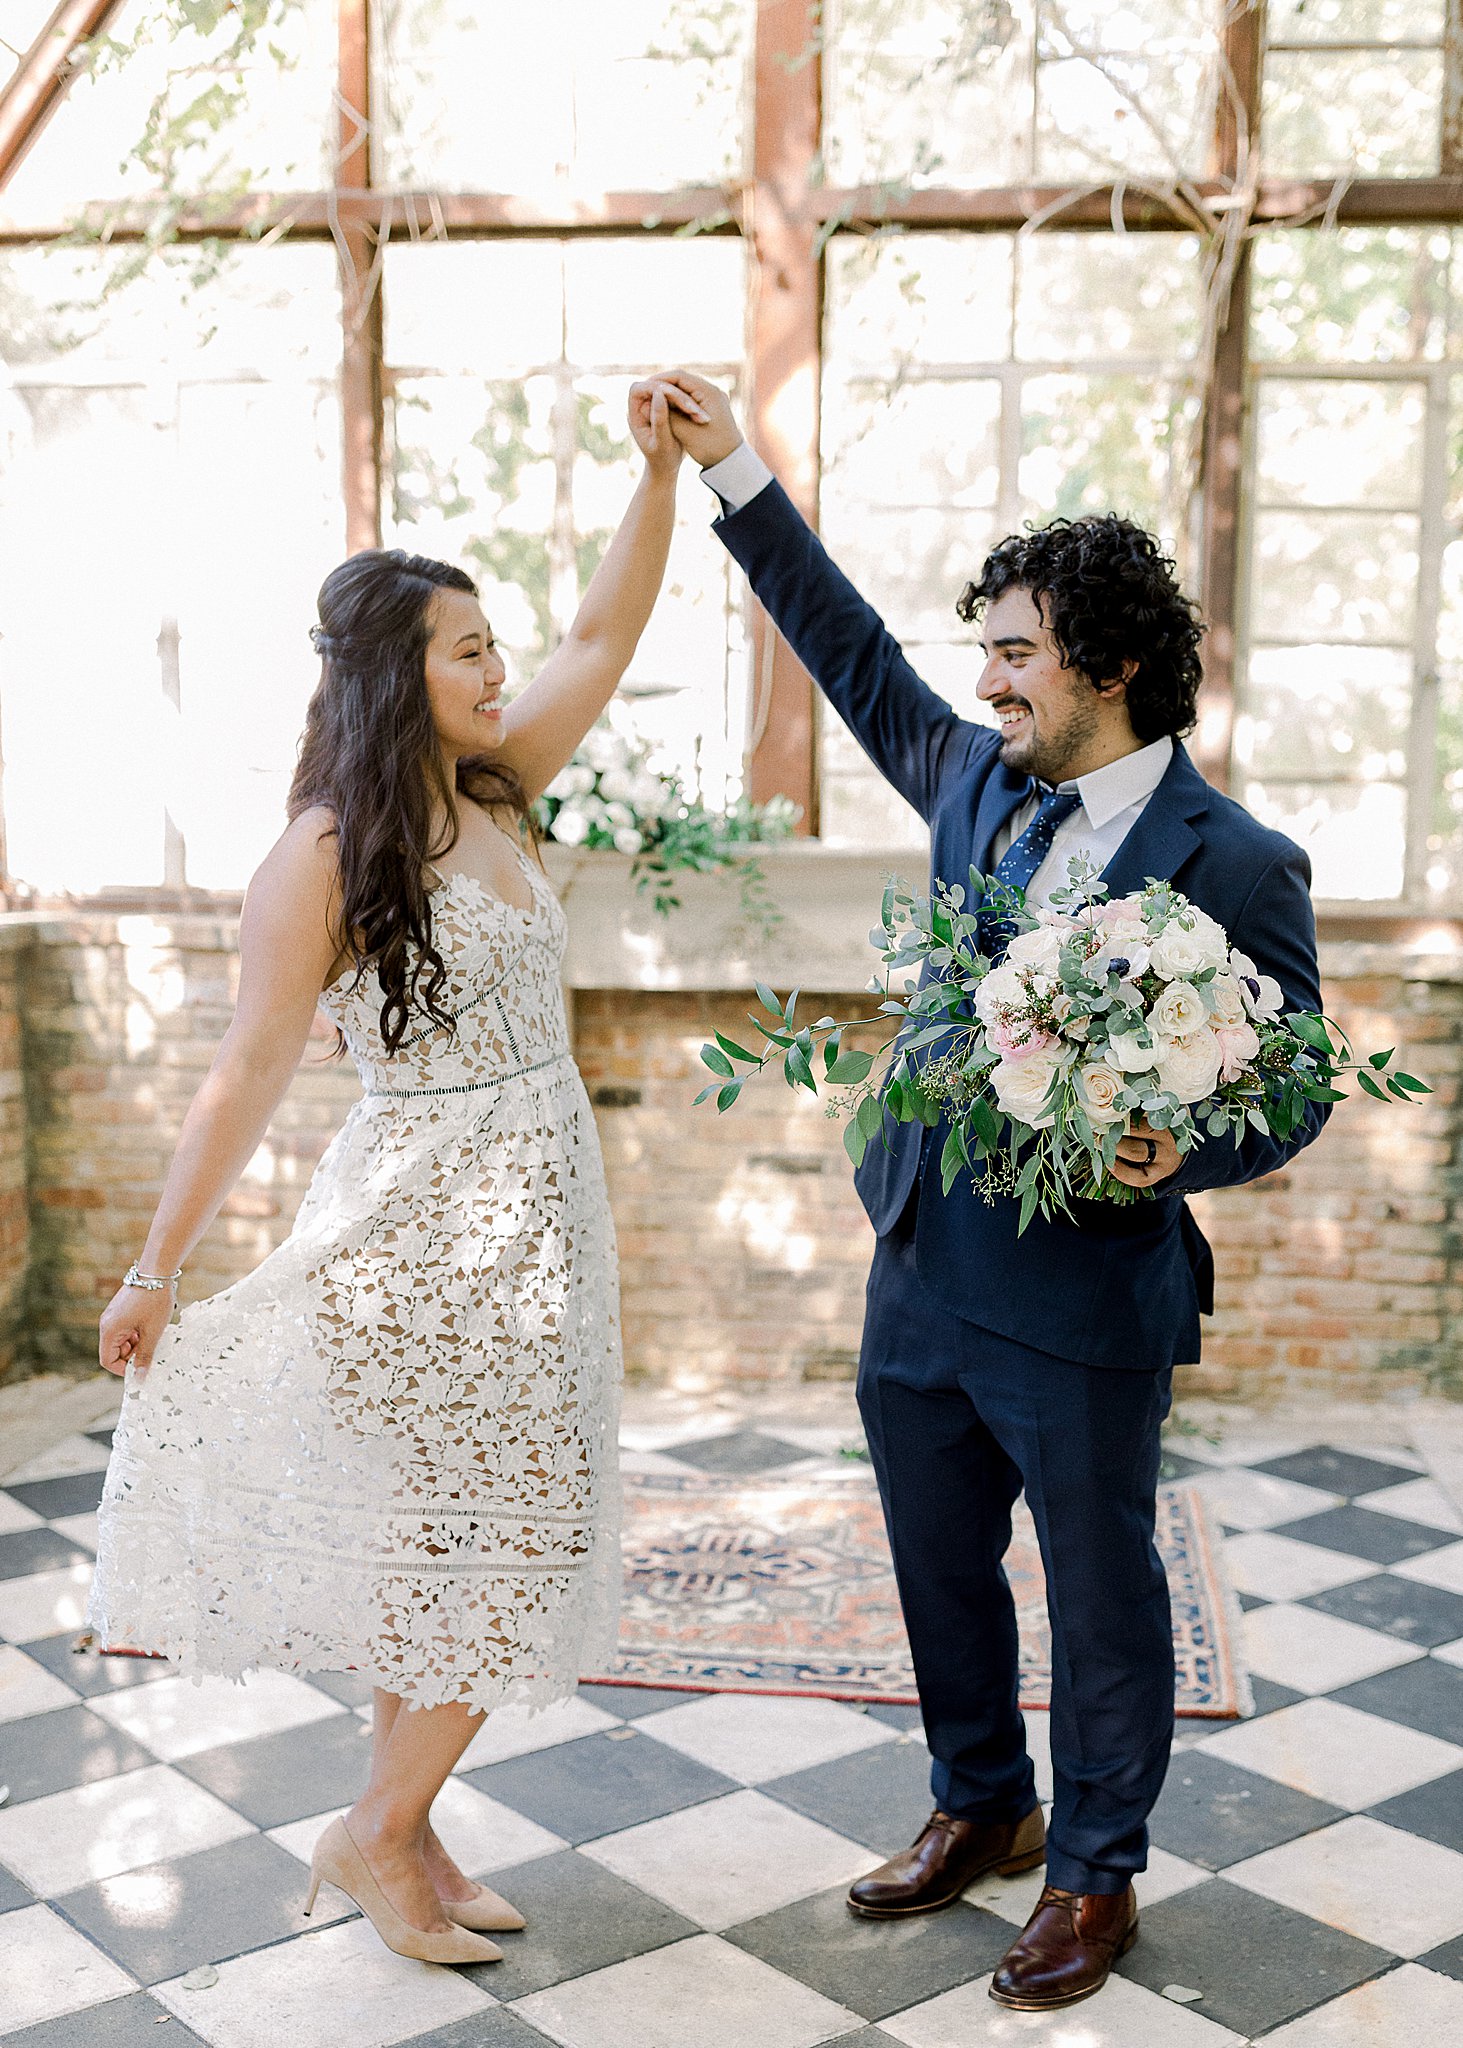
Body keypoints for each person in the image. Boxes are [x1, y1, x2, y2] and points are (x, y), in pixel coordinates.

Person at [644, 368, 1328, 2013]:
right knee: (936, 1561)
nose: (988, 679)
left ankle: (1095, 1872)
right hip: (921, 1260)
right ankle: (983, 1802)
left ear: (1113, 666)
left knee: (1100, 1594)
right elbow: (848, 648)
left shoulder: (1238, 862)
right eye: (989, 653)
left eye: (1017, 651)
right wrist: (734, 468)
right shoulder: (972, 781)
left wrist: (1189, 1150)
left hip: (1087, 1293)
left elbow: (1299, 1076)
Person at [87, 378, 706, 1967]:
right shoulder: (321, 853)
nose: (499, 670)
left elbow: (604, 637)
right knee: (491, 1537)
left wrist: (656, 478)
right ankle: (371, 1831)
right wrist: (156, 1267)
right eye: (467, 650)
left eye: (495, 646)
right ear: (394, 677)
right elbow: (246, 1069)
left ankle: (408, 1832)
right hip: (418, 1237)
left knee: (444, 1543)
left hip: (540, 1224)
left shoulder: (493, 785)